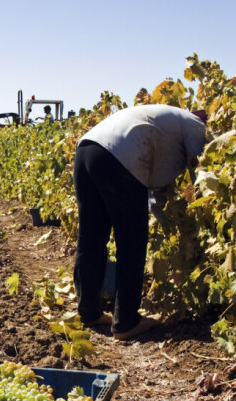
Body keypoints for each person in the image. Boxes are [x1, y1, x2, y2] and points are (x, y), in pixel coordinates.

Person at [73, 104, 207, 340]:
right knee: (132, 241)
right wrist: (204, 218)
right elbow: (201, 174)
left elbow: (159, 195)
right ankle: (126, 322)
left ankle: (89, 312)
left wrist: (169, 226)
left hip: (86, 150)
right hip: (120, 156)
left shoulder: (166, 124)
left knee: (92, 237)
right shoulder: (196, 125)